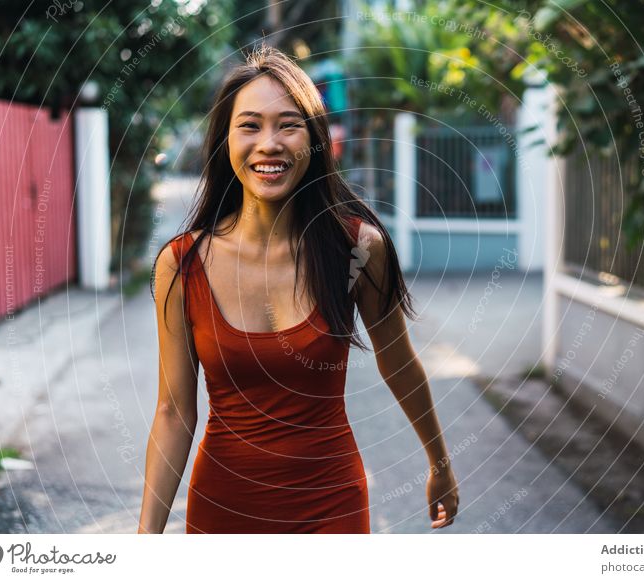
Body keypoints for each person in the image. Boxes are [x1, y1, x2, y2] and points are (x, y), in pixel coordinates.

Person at [137, 44, 459, 534]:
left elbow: (400, 363)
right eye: (249, 125)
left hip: (332, 508)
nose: (269, 143)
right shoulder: (181, 265)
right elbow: (173, 412)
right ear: (225, 141)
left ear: (314, 140)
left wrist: (439, 463)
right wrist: (146, 541)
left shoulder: (358, 249)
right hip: (222, 511)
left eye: (288, 124)